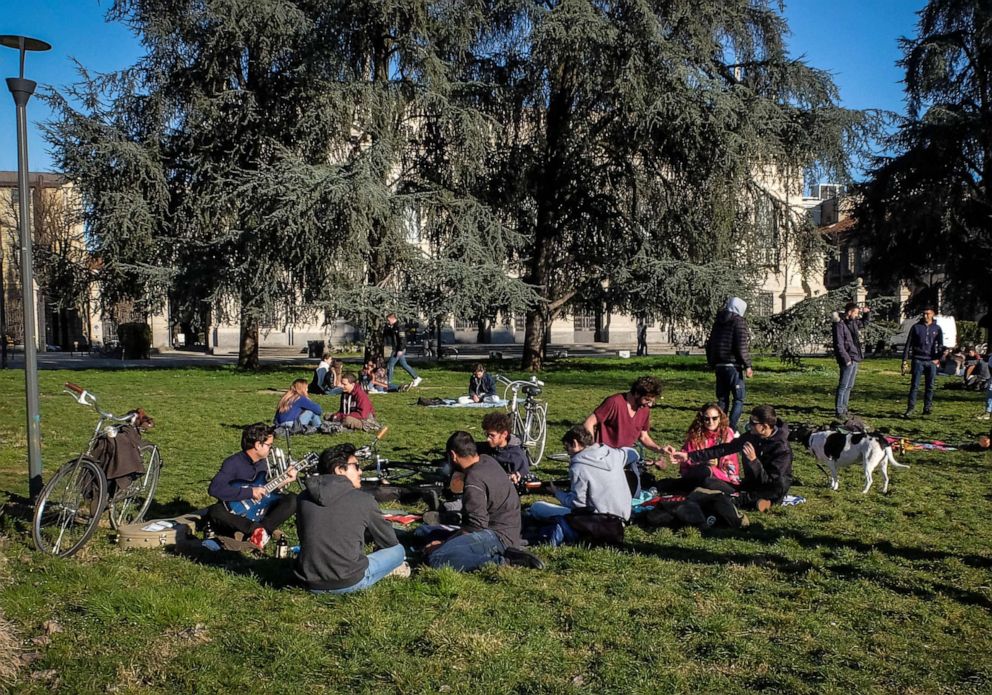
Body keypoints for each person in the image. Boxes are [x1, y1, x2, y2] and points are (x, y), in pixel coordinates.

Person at [294, 444, 410, 594]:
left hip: (308, 581)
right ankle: (387, 571)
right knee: (398, 551)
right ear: (339, 470)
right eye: (356, 466)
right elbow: (389, 541)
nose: (360, 471)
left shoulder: (303, 497)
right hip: (349, 582)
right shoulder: (364, 500)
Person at [425, 431, 542, 571]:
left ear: (453, 455)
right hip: (510, 531)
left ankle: (504, 561)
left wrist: (443, 544)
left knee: (437, 558)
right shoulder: (487, 460)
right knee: (425, 533)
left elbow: (476, 527)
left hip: (497, 537)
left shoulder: (473, 480)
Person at [667, 405, 792, 511]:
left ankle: (758, 502)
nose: (749, 425)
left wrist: (754, 461)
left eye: (753, 423)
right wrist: (689, 456)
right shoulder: (753, 436)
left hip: (770, 490)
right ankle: (751, 501)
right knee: (708, 482)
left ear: (764, 427)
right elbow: (725, 448)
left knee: (727, 501)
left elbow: (771, 483)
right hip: (750, 485)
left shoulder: (782, 449)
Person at [206, 423, 298, 549]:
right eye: (269, 445)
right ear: (257, 445)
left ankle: (258, 531)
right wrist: (249, 492)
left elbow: (264, 489)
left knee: (292, 499)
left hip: (259, 509)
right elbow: (214, 489)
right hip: (236, 513)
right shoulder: (233, 463)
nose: (271, 449)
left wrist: (285, 480)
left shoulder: (262, 463)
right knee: (215, 511)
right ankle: (261, 531)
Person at [528, 425, 634, 526]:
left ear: (575, 443)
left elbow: (578, 505)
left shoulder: (579, 468)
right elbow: (633, 453)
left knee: (537, 507)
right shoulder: (613, 454)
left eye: (567, 448)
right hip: (623, 517)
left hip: (599, 521)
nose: (568, 453)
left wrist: (557, 492)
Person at [583, 376, 665, 454]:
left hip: (625, 455)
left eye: (652, 401)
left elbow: (643, 437)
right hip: (605, 454)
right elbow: (589, 423)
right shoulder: (614, 402)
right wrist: (592, 448)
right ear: (637, 393)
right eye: (647, 399)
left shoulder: (645, 409)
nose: (650, 404)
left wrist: (660, 449)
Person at [705, 296, 753, 431]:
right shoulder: (738, 321)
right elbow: (741, 346)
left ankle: (718, 426)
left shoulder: (718, 321)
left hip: (719, 366)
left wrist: (711, 362)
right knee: (739, 398)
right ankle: (730, 428)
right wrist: (748, 365)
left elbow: (710, 344)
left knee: (722, 399)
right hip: (733, 366)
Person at [679, 403, 740, 487]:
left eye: (714, 418)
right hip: (699, 475)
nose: (711, 422)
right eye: (706, 419)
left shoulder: (727, 433)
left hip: (722, 476)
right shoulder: (695, 435)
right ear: (701, 419)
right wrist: (704, 462)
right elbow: (685, 462)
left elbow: (732, 462)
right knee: (706, 470)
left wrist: (718, 464)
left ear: (720, 418)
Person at [901, 306, 944, 417]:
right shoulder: (916, 327)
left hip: (931, 361)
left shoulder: (937, 328)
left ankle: (927, 408)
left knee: (930, 386)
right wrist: (904, 360)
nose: (925, 316)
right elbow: (908, 344)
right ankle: (910, 408)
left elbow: (940, 345)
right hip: (918, 359)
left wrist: (938, 358)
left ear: (933, 314)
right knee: (915, 385)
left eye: (928, 313)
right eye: (924, 314)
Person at [832, 302, 871, 418]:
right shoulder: (839, 324)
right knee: (843, 385)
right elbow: (839, 344)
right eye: (856, 313)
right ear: (849, 312)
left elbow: (864, 323)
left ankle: (844, 408)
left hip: (855, 358)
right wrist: (846, 359)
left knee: (849, 386)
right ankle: (839, 410)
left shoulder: (852, 322)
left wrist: (867, 313)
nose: (857, 315)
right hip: (848, 359)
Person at [478, 412, 529, 482]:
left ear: (504, 434)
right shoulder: (483, 448)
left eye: (492, 435)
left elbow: (522, 476)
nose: (488, 439)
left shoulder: (517, 456)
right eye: (487, 434)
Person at [384, 313, 422, 389]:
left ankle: (388, 382)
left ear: (392, 319)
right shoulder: (394, 327)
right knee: (404, 365)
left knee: (390, 365)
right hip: (398, 349)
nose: (388, 322)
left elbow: (402, 339)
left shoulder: (399, 327)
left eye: (388, 320)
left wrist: (400, 350)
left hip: (398, 349)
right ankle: (416, 377)